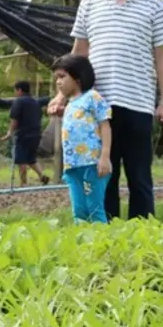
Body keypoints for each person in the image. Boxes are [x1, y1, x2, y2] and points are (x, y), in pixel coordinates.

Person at [47, 0, 163, 221]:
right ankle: (108, 235)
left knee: (140, 176)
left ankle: (143, 236)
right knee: (104, 174)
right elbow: (79, 52)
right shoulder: (90, 3)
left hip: (138, 102)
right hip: (97, 106)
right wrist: (61, 94)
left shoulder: (154, 2)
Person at [52, 54, 112, 224]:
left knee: (95, 208)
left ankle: (103, 243)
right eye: (57, 77)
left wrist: (105, 157)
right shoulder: (70, 104)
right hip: (72, 165)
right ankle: (83, 243)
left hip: (92, 164)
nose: (58, 82)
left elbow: (105, 126)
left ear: (77, 78)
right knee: (79, 210)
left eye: (62, 77)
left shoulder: (93, 98)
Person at [1, 81, 50, 186]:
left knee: (21, 159)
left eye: (15, 90)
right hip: (36, 134)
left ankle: (23, 182)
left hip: (23, 134)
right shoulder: (36, 101)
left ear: (19, 90)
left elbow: (14, 119)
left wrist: (10, 132)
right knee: (31, 158)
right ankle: (42, 176)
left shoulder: (18, 102)